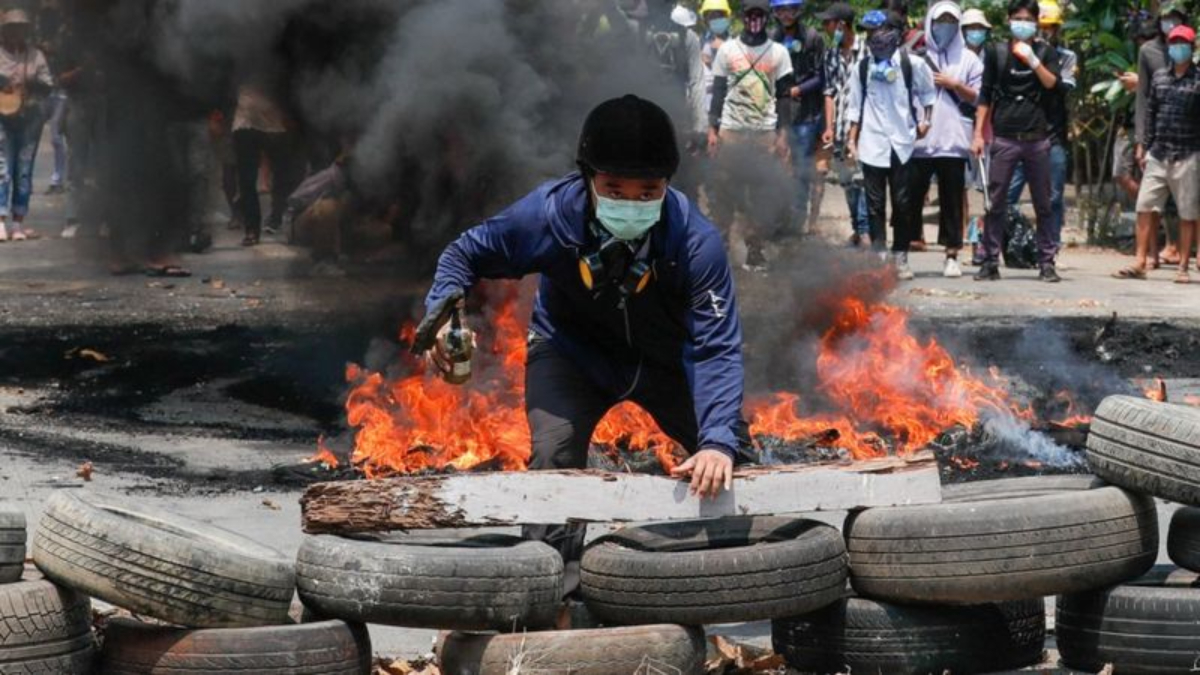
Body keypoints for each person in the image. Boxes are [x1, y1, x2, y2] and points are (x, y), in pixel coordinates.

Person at [414, 95, 747, 566]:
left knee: (734, 457)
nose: (631, 203)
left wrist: (716, 440)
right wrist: (446, 312)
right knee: (553, 460)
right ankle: (550, 588)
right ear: (587, 178)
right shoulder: (546, 216)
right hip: (571, 355)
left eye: (648, 192)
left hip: (665, 363)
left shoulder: (697, 243)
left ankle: (743, 573)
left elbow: (716, 349)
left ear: (668, 185)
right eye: (614, 188)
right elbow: (463, 255)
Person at [971, 0, 1064, 282]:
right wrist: (977, 134)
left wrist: (1033, 61)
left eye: (1028, 19)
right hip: (1004, 137)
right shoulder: (996, 52)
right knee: (995, 202)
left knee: (1044, 204)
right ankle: (989, 260)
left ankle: (1046, 262)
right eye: (1017, 18)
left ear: (1036, 23)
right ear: (1009, 20)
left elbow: (1053, 84)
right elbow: (985, 95)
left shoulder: (1045, 52)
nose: (1022, 23)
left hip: (1037, 138)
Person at [846, 9, 935, 278]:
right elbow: (854, 107)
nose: (873, 38)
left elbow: (928, 94)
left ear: (894, 33)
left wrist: (926, 121)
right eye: (869, 33)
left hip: (902, 142)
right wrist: (852, 139)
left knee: (903, 202)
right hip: (872, 143)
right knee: (874, 204)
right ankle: (879, 256)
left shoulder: (913, 65)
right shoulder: (862, 67)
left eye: (878, 31)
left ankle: (900, 256)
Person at [707, 0, 795, 269]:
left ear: (767, 18)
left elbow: (784, 97)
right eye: (750, 15)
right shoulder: (727, 51)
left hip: (763, 134)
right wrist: (712, 129)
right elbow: (718, 92)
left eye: (759, 15)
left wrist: (783, 135)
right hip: (731, 132)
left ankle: (755, 250)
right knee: (723, 192)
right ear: (742, 17)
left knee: (761, 195)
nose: (754, 19)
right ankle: (720, 249)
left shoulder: (778, 52)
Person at [1116, 25, 1200, 283]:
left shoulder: (1198, 80)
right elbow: (1150, 112)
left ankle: (1183, 266)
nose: (1177, 47)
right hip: (1158, 152)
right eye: (1174, 43)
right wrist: (1144, 144)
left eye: (1182, 43)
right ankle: (1140, 261)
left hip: (1187, 153)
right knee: (1144, 206)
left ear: (1192, 48)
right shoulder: (1160, 78)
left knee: (1188, 212)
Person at [906, 0, 982, 279]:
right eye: (940, 22)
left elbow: (981, 97)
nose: (945, 28)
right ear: (930, 24)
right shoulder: (916, 58)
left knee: (951, 201)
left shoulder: (969, 59)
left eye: (951, 22)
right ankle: (905, 248)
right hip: (919, 142)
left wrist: (955, 85)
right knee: (911, 198)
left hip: (953, 140)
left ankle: (951, 254)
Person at [1005, 0, 1075, 250]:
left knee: (1052, 197)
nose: (1046, 32)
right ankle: (993, 245)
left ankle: (1050, 246)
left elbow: (1061, 87)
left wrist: (1036, 61)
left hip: (1051, 136)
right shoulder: (1009, 54)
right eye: (1042, 26)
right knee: (1005, 195)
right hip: (1017, 134)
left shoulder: (1065, 57)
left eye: (1051, 27)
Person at [1132, 3, 1188, 268]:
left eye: (1175, 18)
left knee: (1188, 204)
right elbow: (1144, 99)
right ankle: (1146, 257)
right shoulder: (1149, 52)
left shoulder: (1192, 54)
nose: (1170, 23)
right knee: (1149, 202)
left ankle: (1185, 257)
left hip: (1188, 140)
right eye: (1166, 18)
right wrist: (1141, 141)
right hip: (1158, 139)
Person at [770, 0, 825, 233]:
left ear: (798, 10)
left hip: (805, 115)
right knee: (776, 168)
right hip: (777, 115)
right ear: (775, 12)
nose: (786, 14)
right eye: (781, 9)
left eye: (791, 9)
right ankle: (779, 221)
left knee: (801, 170)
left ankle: (797, 223)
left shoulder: (812, 37)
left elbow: (820, 77)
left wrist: (797, 89)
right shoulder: (771, 38)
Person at [820, 1, 869, 246]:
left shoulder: (868, 50)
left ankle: (865, 230)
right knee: (848, 182)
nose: (825, 28)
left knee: (863, 180)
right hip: (839, 127)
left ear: (841, 24)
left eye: (827, 23)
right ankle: (858, 229)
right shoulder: (830, 54)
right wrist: (829, 127)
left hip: (864, 129)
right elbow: (829, 93)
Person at [0, 10, 52, 243]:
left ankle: (18, 222)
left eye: (20, 28)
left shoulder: (35, 56)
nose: (16, 33)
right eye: (12, 28)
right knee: (2, 169)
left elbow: (48, 84)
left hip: (29, 119)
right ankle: (0, 220)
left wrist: (32, 85)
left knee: (23, 171)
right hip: (2, 118)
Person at [231, 82, 304, 247]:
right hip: (246, 120)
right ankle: (252, 229)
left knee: (284, 175)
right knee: (247, 180)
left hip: (276, 120)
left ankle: (279, 218)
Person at [960, 8, 991, 264]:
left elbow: (986, 96)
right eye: (971, 28)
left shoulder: (991, 58)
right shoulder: (954, 58)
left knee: (987, 190)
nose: (975, 33)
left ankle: (981, 238)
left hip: (987, 131)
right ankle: (966, 237)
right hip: (959, 129)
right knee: (962, 188)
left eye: (979, 28)